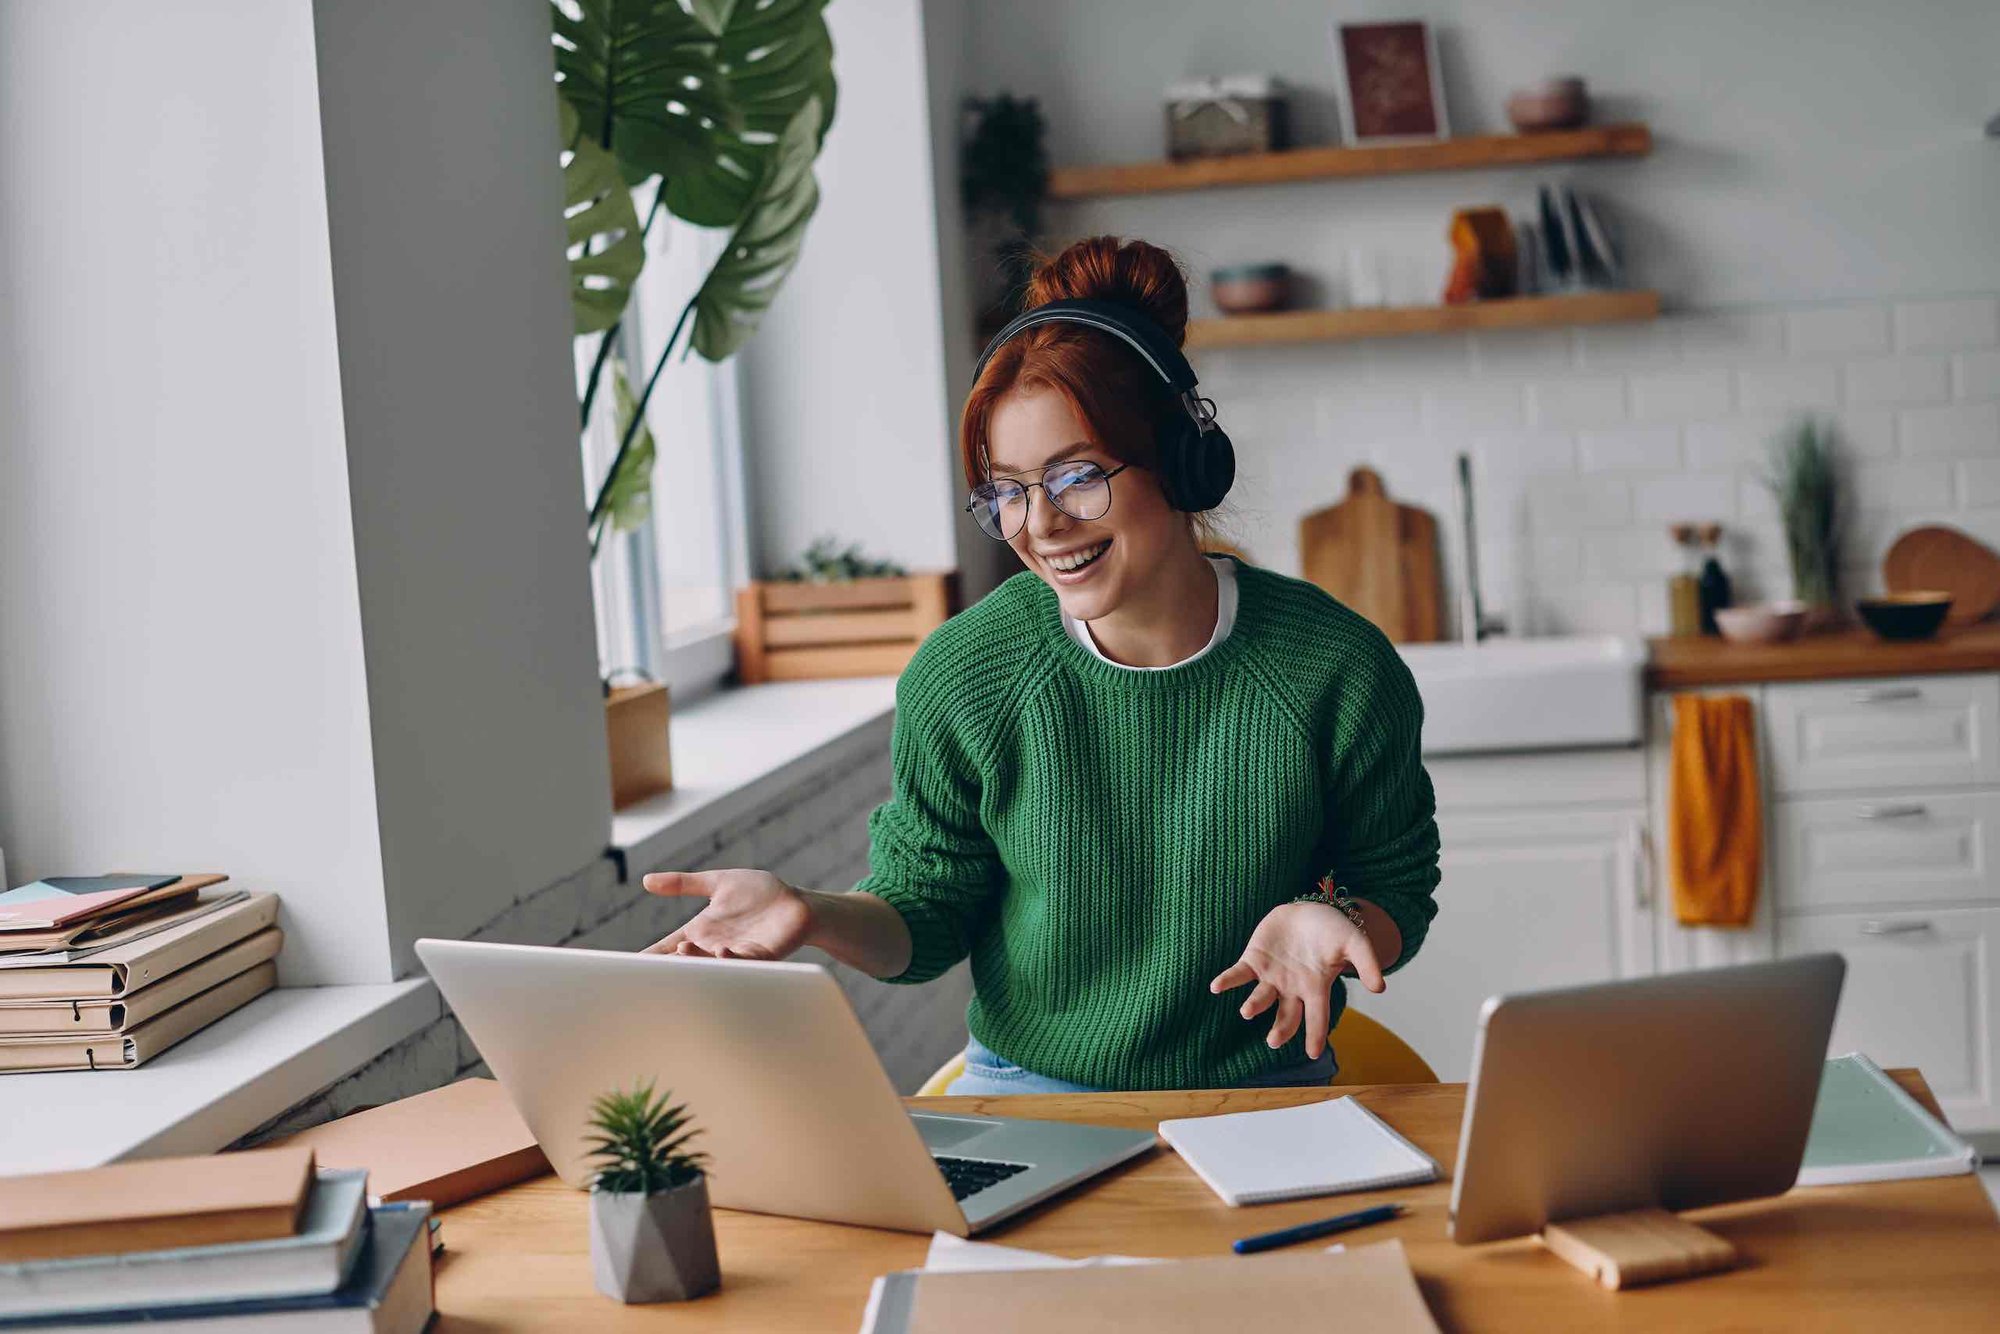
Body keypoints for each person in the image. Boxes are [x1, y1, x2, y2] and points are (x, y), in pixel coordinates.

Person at [643, 235, 1441, 1094]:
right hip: (1029, 1095)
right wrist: (815, 914)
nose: (1041, 524)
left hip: (1262, 1090)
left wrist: (1334, 915)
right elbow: (927, 916)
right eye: (1008, 490)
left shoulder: (1334, 668)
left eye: (1076, 477)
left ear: (1183, 459)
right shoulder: (966, 675)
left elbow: (1396, 883)